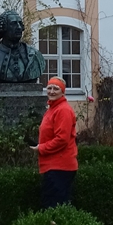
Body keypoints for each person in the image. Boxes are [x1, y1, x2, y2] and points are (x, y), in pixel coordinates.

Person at [36, 75, 78, 208]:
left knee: (54, 206)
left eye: (56, 88)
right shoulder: (53, 108)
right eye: (49, 88)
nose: (52, 91)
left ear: (62, 92)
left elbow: (62, 140)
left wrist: (41, 148)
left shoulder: (63, 110)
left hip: (60, 165)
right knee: (53, 203)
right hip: (53, 164)